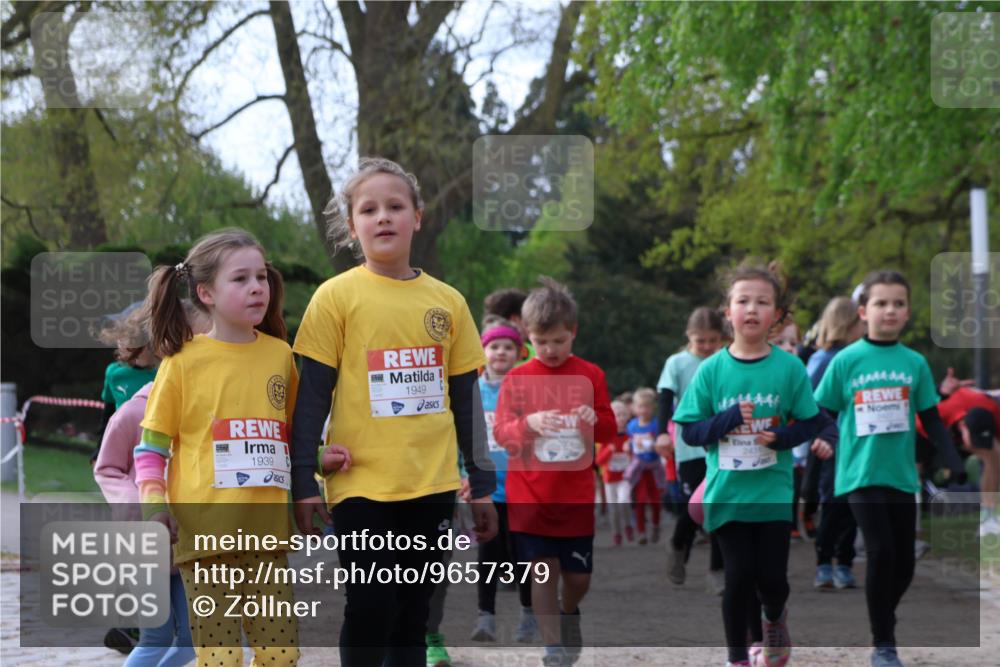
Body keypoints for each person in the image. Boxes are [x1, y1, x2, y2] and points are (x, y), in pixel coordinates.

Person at [289, 157, 498, 667]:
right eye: (369, 209)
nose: (383, 217)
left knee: (413, 613)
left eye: (395, 206)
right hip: (360, 483)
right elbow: (311, 398)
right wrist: (302, 479)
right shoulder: (334, 298)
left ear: (417, 217)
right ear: (353, 224)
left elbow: (466, 398)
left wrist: (483, 485)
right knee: (369, 606)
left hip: (431, 484)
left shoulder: (448, 302)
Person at [134, 228, 301, 667]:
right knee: (221, 658)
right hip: (205, 539)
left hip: (268, 538)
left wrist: (321, 466)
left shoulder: (281, 355)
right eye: (241, 279)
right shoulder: (182, 362)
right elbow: (149, 449)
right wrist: (154, 507)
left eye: (261, 277)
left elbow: (288, 439)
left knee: (281, 656)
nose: (256, 288)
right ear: (205, 292)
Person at [673, 263, 837, 667]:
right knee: (738, 577)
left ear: (777, 316)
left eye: (762, 302)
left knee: (773, 581)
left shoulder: (789, 367)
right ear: (727, 311)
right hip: (727, 492)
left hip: (773, 491)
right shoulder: (712, 370)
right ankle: (737, 659)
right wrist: (728, 419)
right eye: (742, 300)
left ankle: (775, 618)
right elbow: (689, 431)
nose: (751, 308)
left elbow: (812, 421)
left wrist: (782, 437)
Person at [814, 270, 966, 667]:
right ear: (864, 311)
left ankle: (883, 610)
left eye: (898, 303)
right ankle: (883, 642)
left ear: (908, 312)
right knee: (880, 552)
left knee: (904, 563)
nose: (890, 310)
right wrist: (825, 440)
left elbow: (931, 418)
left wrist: (952, 461)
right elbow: (823, 411)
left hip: (901, 475)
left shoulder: (913, 362)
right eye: (881, 303)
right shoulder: (846, 360)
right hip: (859, 474)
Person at [494, 277, 616, 667]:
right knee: (542, 573)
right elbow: (502, 434)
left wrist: (590, 419)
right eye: (541, 342)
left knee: (578, 579)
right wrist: (529, 424)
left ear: (573, 334)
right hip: (530, 496)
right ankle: (553, 648)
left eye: (559, 342)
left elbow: (611, 428)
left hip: (575, 496)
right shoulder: (516, 379)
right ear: (528, 336)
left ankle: (569, 612)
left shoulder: (590, 375)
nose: (550, 350)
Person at [94, 302, 208, 667]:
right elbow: (108, 467)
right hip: (147, 541)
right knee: (156, 638)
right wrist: (138, 509)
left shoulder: (208, 408)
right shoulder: (135, 411)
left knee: (194, 641)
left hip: (192, 541)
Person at [471, 321, 539, 644]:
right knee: (488, 553)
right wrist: (463, 473)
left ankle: (528, 615)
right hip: (487, 488)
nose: (500, 352)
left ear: (520, 353)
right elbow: (464, 437)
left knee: (523, 553)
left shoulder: (527, 389)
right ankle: (486, 617)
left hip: (522, 486)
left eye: (508, 347)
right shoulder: (471, 390)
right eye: (494, 346)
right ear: (483, 351)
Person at [656, 306, 726, 592]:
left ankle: (717, 569)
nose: (707, 347)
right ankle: (678, 543)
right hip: (690, 444)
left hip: (723, 441)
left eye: (713, 340)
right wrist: (661, 433)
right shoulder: (677, 363)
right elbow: (665, 398)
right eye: (701, 341)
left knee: (719, 504)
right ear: (689, 337)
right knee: (695, 506)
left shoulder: (725, 360)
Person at [807, 296, 864, 589]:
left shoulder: (861, 357)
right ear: (848, 324)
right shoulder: (824, 360)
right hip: (832, 444)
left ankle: (844, 562)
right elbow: (810, 403)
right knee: (832, 503)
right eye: (860, 321)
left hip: (858, 445)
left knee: (854, 505)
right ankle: (823, 563)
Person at [916, 367, 1000, 536]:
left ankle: (988, 519)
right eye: (974, 441)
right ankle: (912, 524)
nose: (974, 447)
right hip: (925, 431)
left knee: (994, 456)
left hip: (975, 414)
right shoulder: (937, 414)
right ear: (963, 427)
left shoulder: (993, 410)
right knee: (914, 469)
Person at [625, 388, 665, 544]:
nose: (643, 410)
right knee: (640, 500)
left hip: (654, 467)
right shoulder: (632, 426)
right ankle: (641, 532)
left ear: (652, 407)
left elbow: (661, 444)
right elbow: (628, 442)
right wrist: (627, 446)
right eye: (640, 406)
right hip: (639, 468)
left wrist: (655, 445)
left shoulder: (656, 425)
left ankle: (655, 526)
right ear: (634, 408)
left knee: (655, 501)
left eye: (647, 406)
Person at [595, 400, 634, 546]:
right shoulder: (605, 437)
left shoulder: (630, 437)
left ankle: (628, 526)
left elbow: (636, 458)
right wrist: (609, 450)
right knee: (613, 509)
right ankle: (616, 534)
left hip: (625, 478)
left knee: (624, 501)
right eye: (617, 415)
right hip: (609, 479)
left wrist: (630, 451)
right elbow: (598, 461)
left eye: (624, 415)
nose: (621, 418)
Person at [484, 287, 536, 364]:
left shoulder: (478, 357)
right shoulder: (538, 355)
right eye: (528, 319)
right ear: (515, 320)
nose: (501, 352)